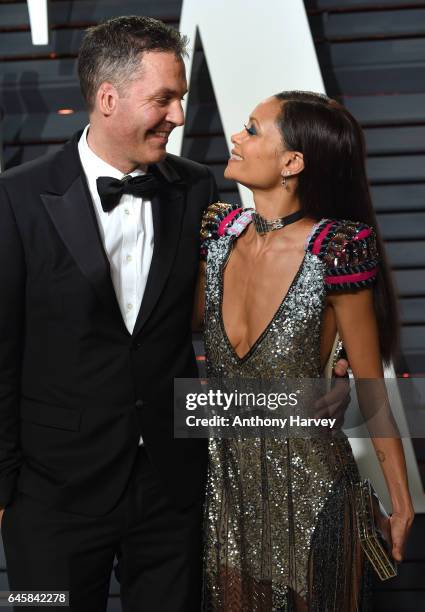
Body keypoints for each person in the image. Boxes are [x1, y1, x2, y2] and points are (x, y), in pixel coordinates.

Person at [0, 16, 219, 612]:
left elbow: (226, 308)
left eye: (180, 99)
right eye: (164, 99)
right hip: (51, 496)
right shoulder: (16, 198)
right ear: (107, 98)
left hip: (171, 488)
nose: (177, 116)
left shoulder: (197, 187)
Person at [195, 91, 414, 611]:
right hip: (229, 493)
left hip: (316, 492)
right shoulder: (218, 232)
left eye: (252, 129)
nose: (236, 137)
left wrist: (400, 501)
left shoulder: (336, 249)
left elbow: (370, 386)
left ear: (292, 162)